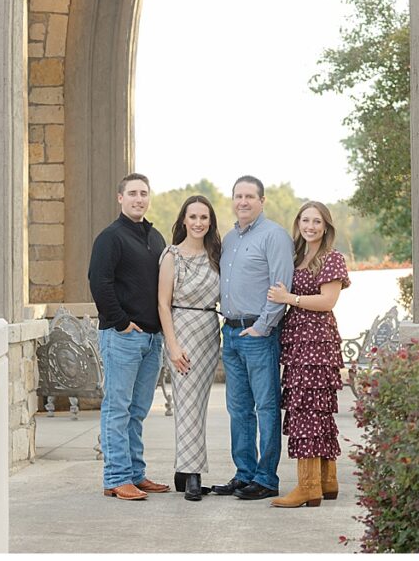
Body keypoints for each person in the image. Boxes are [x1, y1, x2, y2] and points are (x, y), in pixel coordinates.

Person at [88, 172, 170, 500]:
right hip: (123, 337)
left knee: (137, 410)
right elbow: (99, 281)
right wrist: (121, 322)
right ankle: (117, 477)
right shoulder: (111, 237)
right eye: (132, 193)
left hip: (152, 338)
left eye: (143, 193)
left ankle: (136, 473)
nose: (139, 198)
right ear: (120, 198)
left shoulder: (156, 238)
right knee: (118, 408)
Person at [212, 175, 294, 500]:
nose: (243, 201)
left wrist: (263, 326)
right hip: (230, 333)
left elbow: (280, 285)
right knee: (238, 408)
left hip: (258, 335)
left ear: (262, 201)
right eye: (238, 196)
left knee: (266, 407)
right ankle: (243, 474)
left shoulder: (274, 235)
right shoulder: (230, 239)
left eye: (249, 196)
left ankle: (266, 477)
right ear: (232, 200)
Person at [266, 201, 351, 508]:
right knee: (314, 410)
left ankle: (308, 486)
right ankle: (327, 483)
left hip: (317, 342)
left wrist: (289, 298)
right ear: (298, 223)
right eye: (305, 220)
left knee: (309, 411)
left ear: (326, 226)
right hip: (298, 341)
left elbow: (328, 301)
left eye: (317, 221)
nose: (310, 226)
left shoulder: (332, 258)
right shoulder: (297, 256)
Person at [157, 195, 222, 502]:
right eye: (193, 217)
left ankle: (184, 469)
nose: (198, 223)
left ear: (210, 222)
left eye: (204, 217)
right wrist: (172, 344)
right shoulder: (172, 256)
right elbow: (162, 303)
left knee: (198, 403)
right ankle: (193, 474)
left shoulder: (216, 255)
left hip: (209, 331)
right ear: (183, 219)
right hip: (181, 330)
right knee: (186, 402)